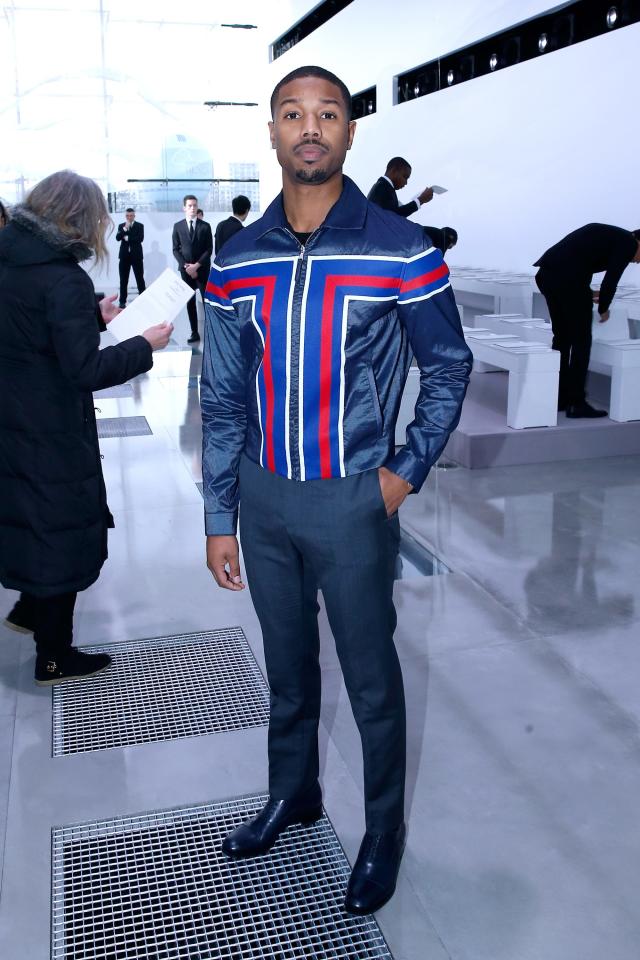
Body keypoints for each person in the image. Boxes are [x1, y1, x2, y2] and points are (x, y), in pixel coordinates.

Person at [201, 65, 471, 915]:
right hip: (265, 500)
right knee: (287, 670)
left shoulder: (401, 248)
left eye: (328, 114)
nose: (309, 128)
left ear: (351, 132)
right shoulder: (237, 260)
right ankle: (296, 793)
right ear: (272, 132)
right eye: (293, 114)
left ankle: (383, 829)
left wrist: (402, 474)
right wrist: (221, 511)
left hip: (354, 500)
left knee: (369, 680)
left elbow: (448, 364)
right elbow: (219, 394)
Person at [0, 170, 172, 684]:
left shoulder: (10, 258)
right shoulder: (63, 277)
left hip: (12, 417)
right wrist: (144, 345)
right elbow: (85, 370)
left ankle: (28, 610)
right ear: (78, 218)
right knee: (61, 529)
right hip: (51, 428)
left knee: (31, 516)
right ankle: (54, 656)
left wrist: (92, 319)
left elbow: (30, 330)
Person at [534, 223, 640, 417]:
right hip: (566, 280)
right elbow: (612, 278)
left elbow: (576, 261)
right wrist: (604, 308)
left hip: (548, 276)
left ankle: (559, 398)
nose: (637, 262)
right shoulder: (628, 243)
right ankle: (576, 402)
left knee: (562, 339)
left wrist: (586, 293)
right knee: (581, 342)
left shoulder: (614, 237)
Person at [172, 195, 213, 343]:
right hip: (186, 272)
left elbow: (209, 249)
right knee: (189, 302)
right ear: (184, 208)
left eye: (195, 205)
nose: (193, 208)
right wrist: (186, 266)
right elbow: (175, 249)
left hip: (202, 270)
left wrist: (197, 265)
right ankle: (194, 332)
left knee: (206, 301)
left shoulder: (205, 226)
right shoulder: (178, 226)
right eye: (189, 206)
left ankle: (210, 331)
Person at [367, 157, 433, 218]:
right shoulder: (382, 187)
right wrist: (420, 200)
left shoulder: (384, 186)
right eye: (405, 177)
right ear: (394, 171)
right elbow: (393, 217)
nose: (406, 183)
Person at [115, 207, 145, 308]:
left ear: (134, 216)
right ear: (125, 216)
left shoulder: (140, 226)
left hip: (136, 256)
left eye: (131, 215)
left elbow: (140, 238)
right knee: (123, 279)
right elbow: (118, 238)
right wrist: (124, 229)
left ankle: (143, 298)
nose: (129, 217)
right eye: (127, 216)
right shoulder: (121, 226)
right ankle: (122, 301)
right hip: (124, 257)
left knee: (139, 278)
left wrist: (128, 238)